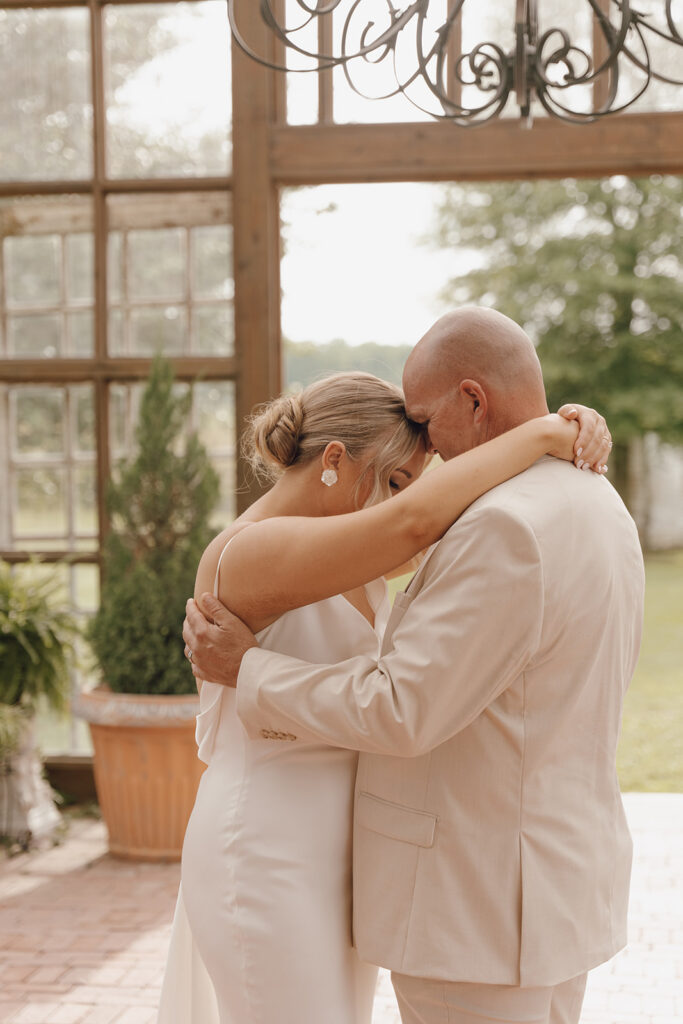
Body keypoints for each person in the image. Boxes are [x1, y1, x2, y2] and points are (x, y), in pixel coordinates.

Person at [182, 308, 645, 1024]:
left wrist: (554, 433)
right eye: (400, 473)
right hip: (272, 841)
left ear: (471, 398)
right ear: (334, 461)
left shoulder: (425, 537)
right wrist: (548, 432)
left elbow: (426, 526)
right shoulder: (256, 551)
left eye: (426, 443)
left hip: (364, 863)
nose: (423, 478)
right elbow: (415, 522)